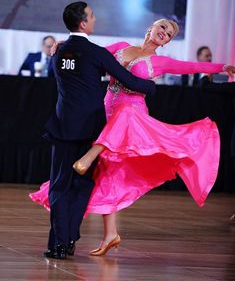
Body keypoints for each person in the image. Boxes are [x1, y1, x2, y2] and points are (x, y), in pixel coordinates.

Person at [30, 18, 235, 256]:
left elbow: (191, 67)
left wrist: (222, 67)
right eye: (163, 28)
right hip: (107, 111)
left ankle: (90, 156)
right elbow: (89, 55)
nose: (164, 33)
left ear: (167, 42)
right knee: (107, 176)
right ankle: (110, 234)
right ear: (151, 28)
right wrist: (66, 45)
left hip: (132, 117)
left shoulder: (161, 61)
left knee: (123, 118)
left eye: (168, 34)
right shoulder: (121, 47)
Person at [40, 1, 155, 260]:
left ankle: (59, 243)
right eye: (91, 15)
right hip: (90, 130)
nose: (95, 18)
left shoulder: (58, 51)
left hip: (62, 127)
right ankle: (68, 240)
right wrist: (151, 88)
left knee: (59, 187)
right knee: (81, 186)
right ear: (82, 23)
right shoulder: (96, 52)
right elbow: (127, 80)